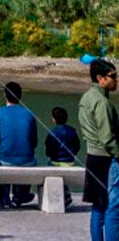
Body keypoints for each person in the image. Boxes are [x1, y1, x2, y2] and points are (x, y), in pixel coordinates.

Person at [78, 58, 119, 241]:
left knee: (98, 206)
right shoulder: (102, 102)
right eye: (113, 76)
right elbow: (107, 138)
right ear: (100, 78)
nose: (116, 80)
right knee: (113, 206)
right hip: (106, 159)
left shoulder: (85, 98)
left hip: (92, 156)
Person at [0, 81, 38, 208]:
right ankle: (20, 195)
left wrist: (0, 151)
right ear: (20, 96)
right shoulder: (29, 114)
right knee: (31, 159)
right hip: (26, 158)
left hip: (6, 157)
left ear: (5, 95)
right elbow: (34, 141)